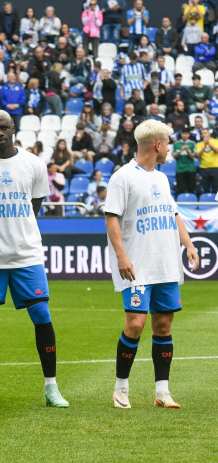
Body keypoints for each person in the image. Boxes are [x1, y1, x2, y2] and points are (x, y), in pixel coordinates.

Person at [0, 110, 69, 409]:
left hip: (26, 255)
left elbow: (34, 206)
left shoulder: (34, 164)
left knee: (41, 316)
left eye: (3, 128)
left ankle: (51, 388)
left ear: (13, 129)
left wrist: (15, 232)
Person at [104, 120, 199, 409]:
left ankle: (162, 392)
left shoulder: (160, 178)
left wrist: (189, 244)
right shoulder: (123, 177)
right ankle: (121, 388)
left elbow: (173, 215)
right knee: (135, 324)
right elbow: (111, 217)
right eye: (167, 143)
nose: (169, 147)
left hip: (166, 264)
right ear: (158, 145)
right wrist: (121, 255)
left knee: (163, 325)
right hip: (137, 265)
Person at [172, 129, 196, 195]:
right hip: (180, 169)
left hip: (190, 168)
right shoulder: (176, 144)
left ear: (189, 135)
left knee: (191, 188)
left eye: (186, 134)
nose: (184, 135)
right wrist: (181, 150)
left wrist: (187, 150)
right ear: (181, 134)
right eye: (183, 133)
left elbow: (193, 156)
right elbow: (174, 156)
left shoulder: (192, 143)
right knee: (181, 189)